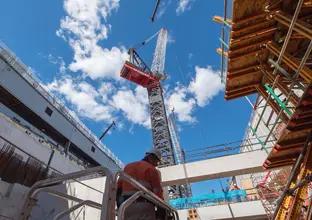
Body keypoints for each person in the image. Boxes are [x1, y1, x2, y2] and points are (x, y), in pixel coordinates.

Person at [117, 147, 164, 220]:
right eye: (157, 162)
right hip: (145, 207)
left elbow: (118, 188)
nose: (156, 165)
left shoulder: (128, 167)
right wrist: (162, 211)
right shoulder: (152, 169)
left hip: (126, 206)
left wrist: (120, 206)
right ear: (152, 158)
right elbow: (158, 193)